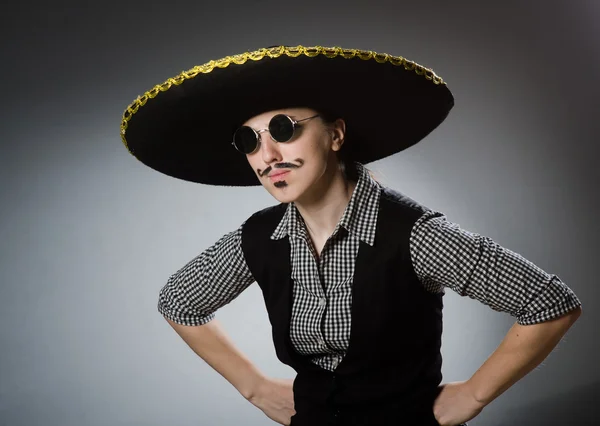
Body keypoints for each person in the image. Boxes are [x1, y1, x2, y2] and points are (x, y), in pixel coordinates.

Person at [120, 45, 582, 426]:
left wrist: (475, 395)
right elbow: (179, 301)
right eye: (250, 140)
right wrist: (255, 388)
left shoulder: (414, 235)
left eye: (284, 129)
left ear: (336, 135)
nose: (269, 154)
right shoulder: (259, 238)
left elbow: (549, 303)